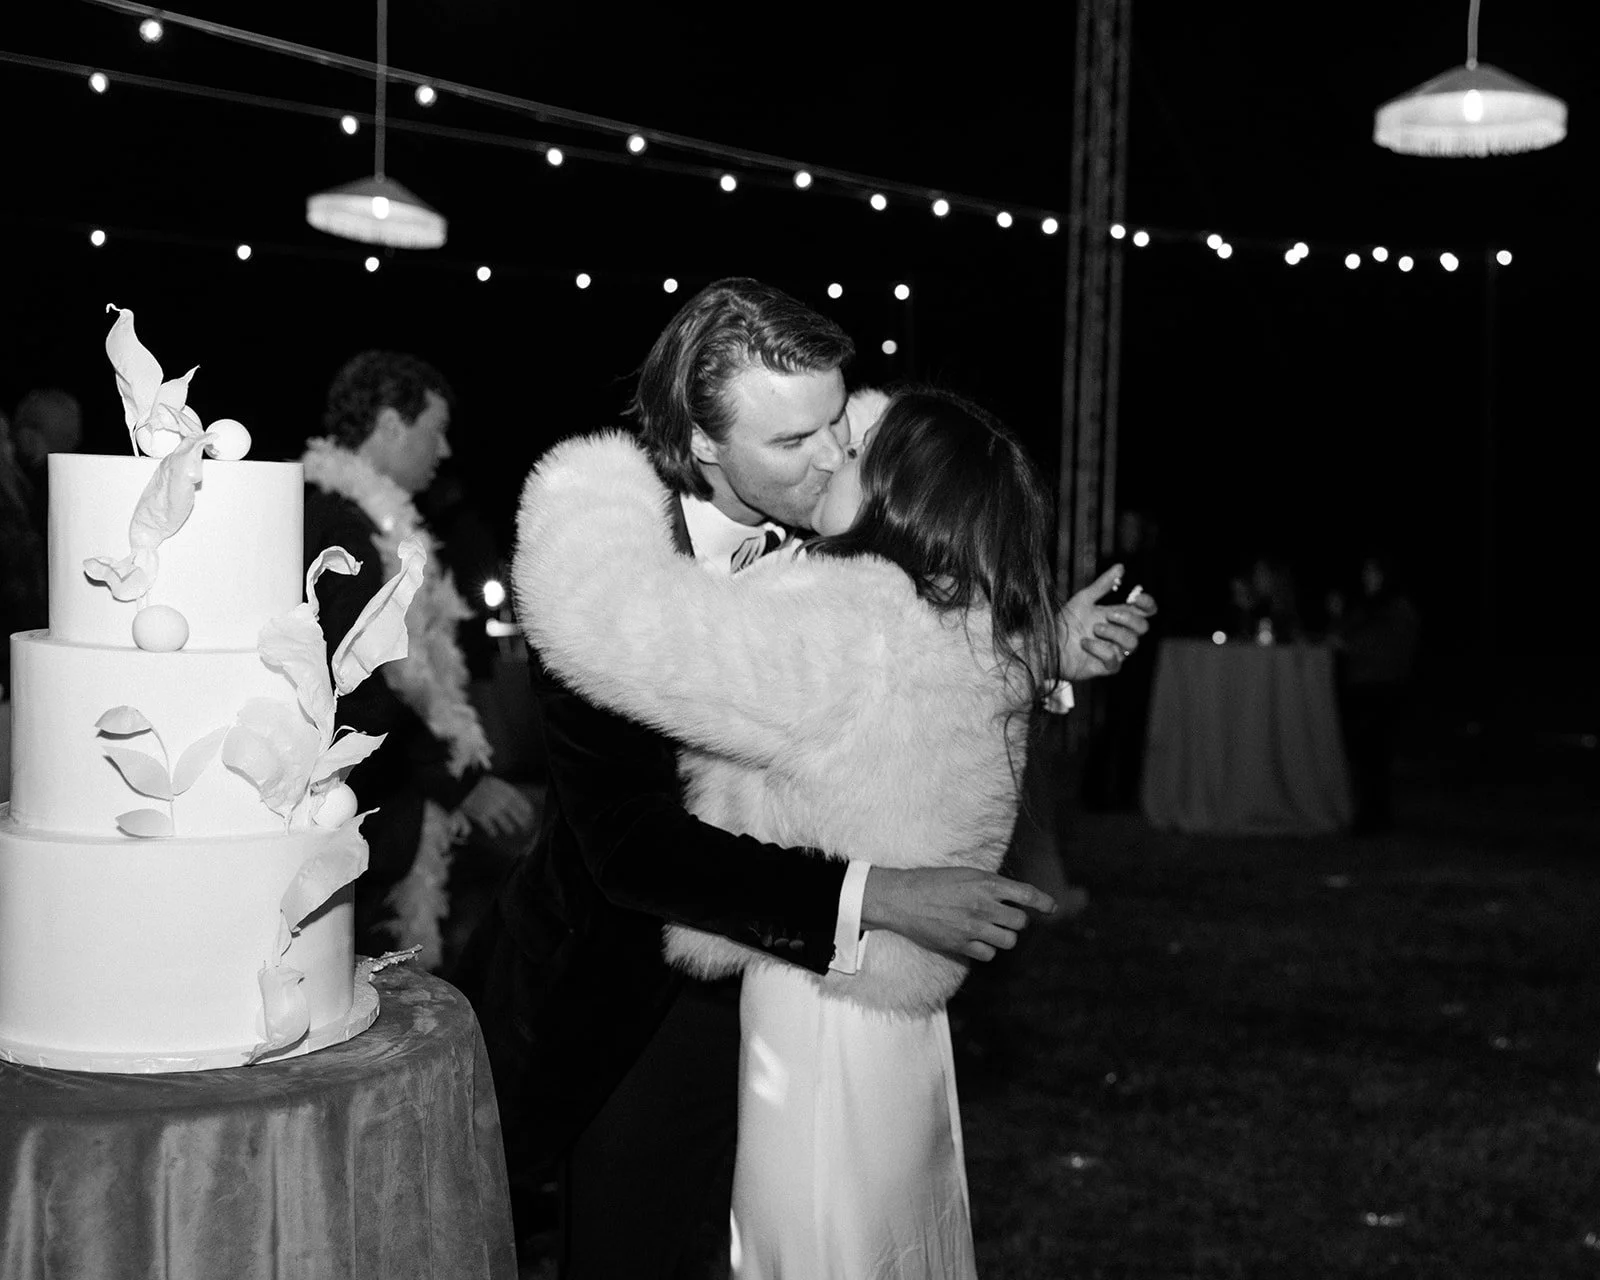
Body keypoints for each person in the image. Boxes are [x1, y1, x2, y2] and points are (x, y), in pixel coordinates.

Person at [453, 278, 1154, 1279]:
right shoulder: (616, 573)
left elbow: (912, 631)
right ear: (702, 443)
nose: (831, 455)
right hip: (641, 997)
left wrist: (1039, 647)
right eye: (791, 442)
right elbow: (632, 846)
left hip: (816, 994)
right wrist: (881, 896)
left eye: (837, 421)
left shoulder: (859, 494)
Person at [301, 350, 535, 964]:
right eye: (435, 429)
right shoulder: (341, 527)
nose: (446, 449)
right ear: (390, 425)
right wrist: (459, 783)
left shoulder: (366, 518)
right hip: (359, 806)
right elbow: (359, 689)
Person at [1330, 552, 1420, 833]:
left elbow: (1389, 648)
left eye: (1374, 573)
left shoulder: (1398, 609)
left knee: (1376, 756)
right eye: (1366, 572)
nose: (1367, 578)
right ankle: (1370, 815)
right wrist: (1336, 617)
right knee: (1364, 756)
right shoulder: (1365, 608)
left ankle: (1376, 817)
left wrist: (1353, 647)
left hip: (1383, 691)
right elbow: (1342, 635)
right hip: (1361, 689)